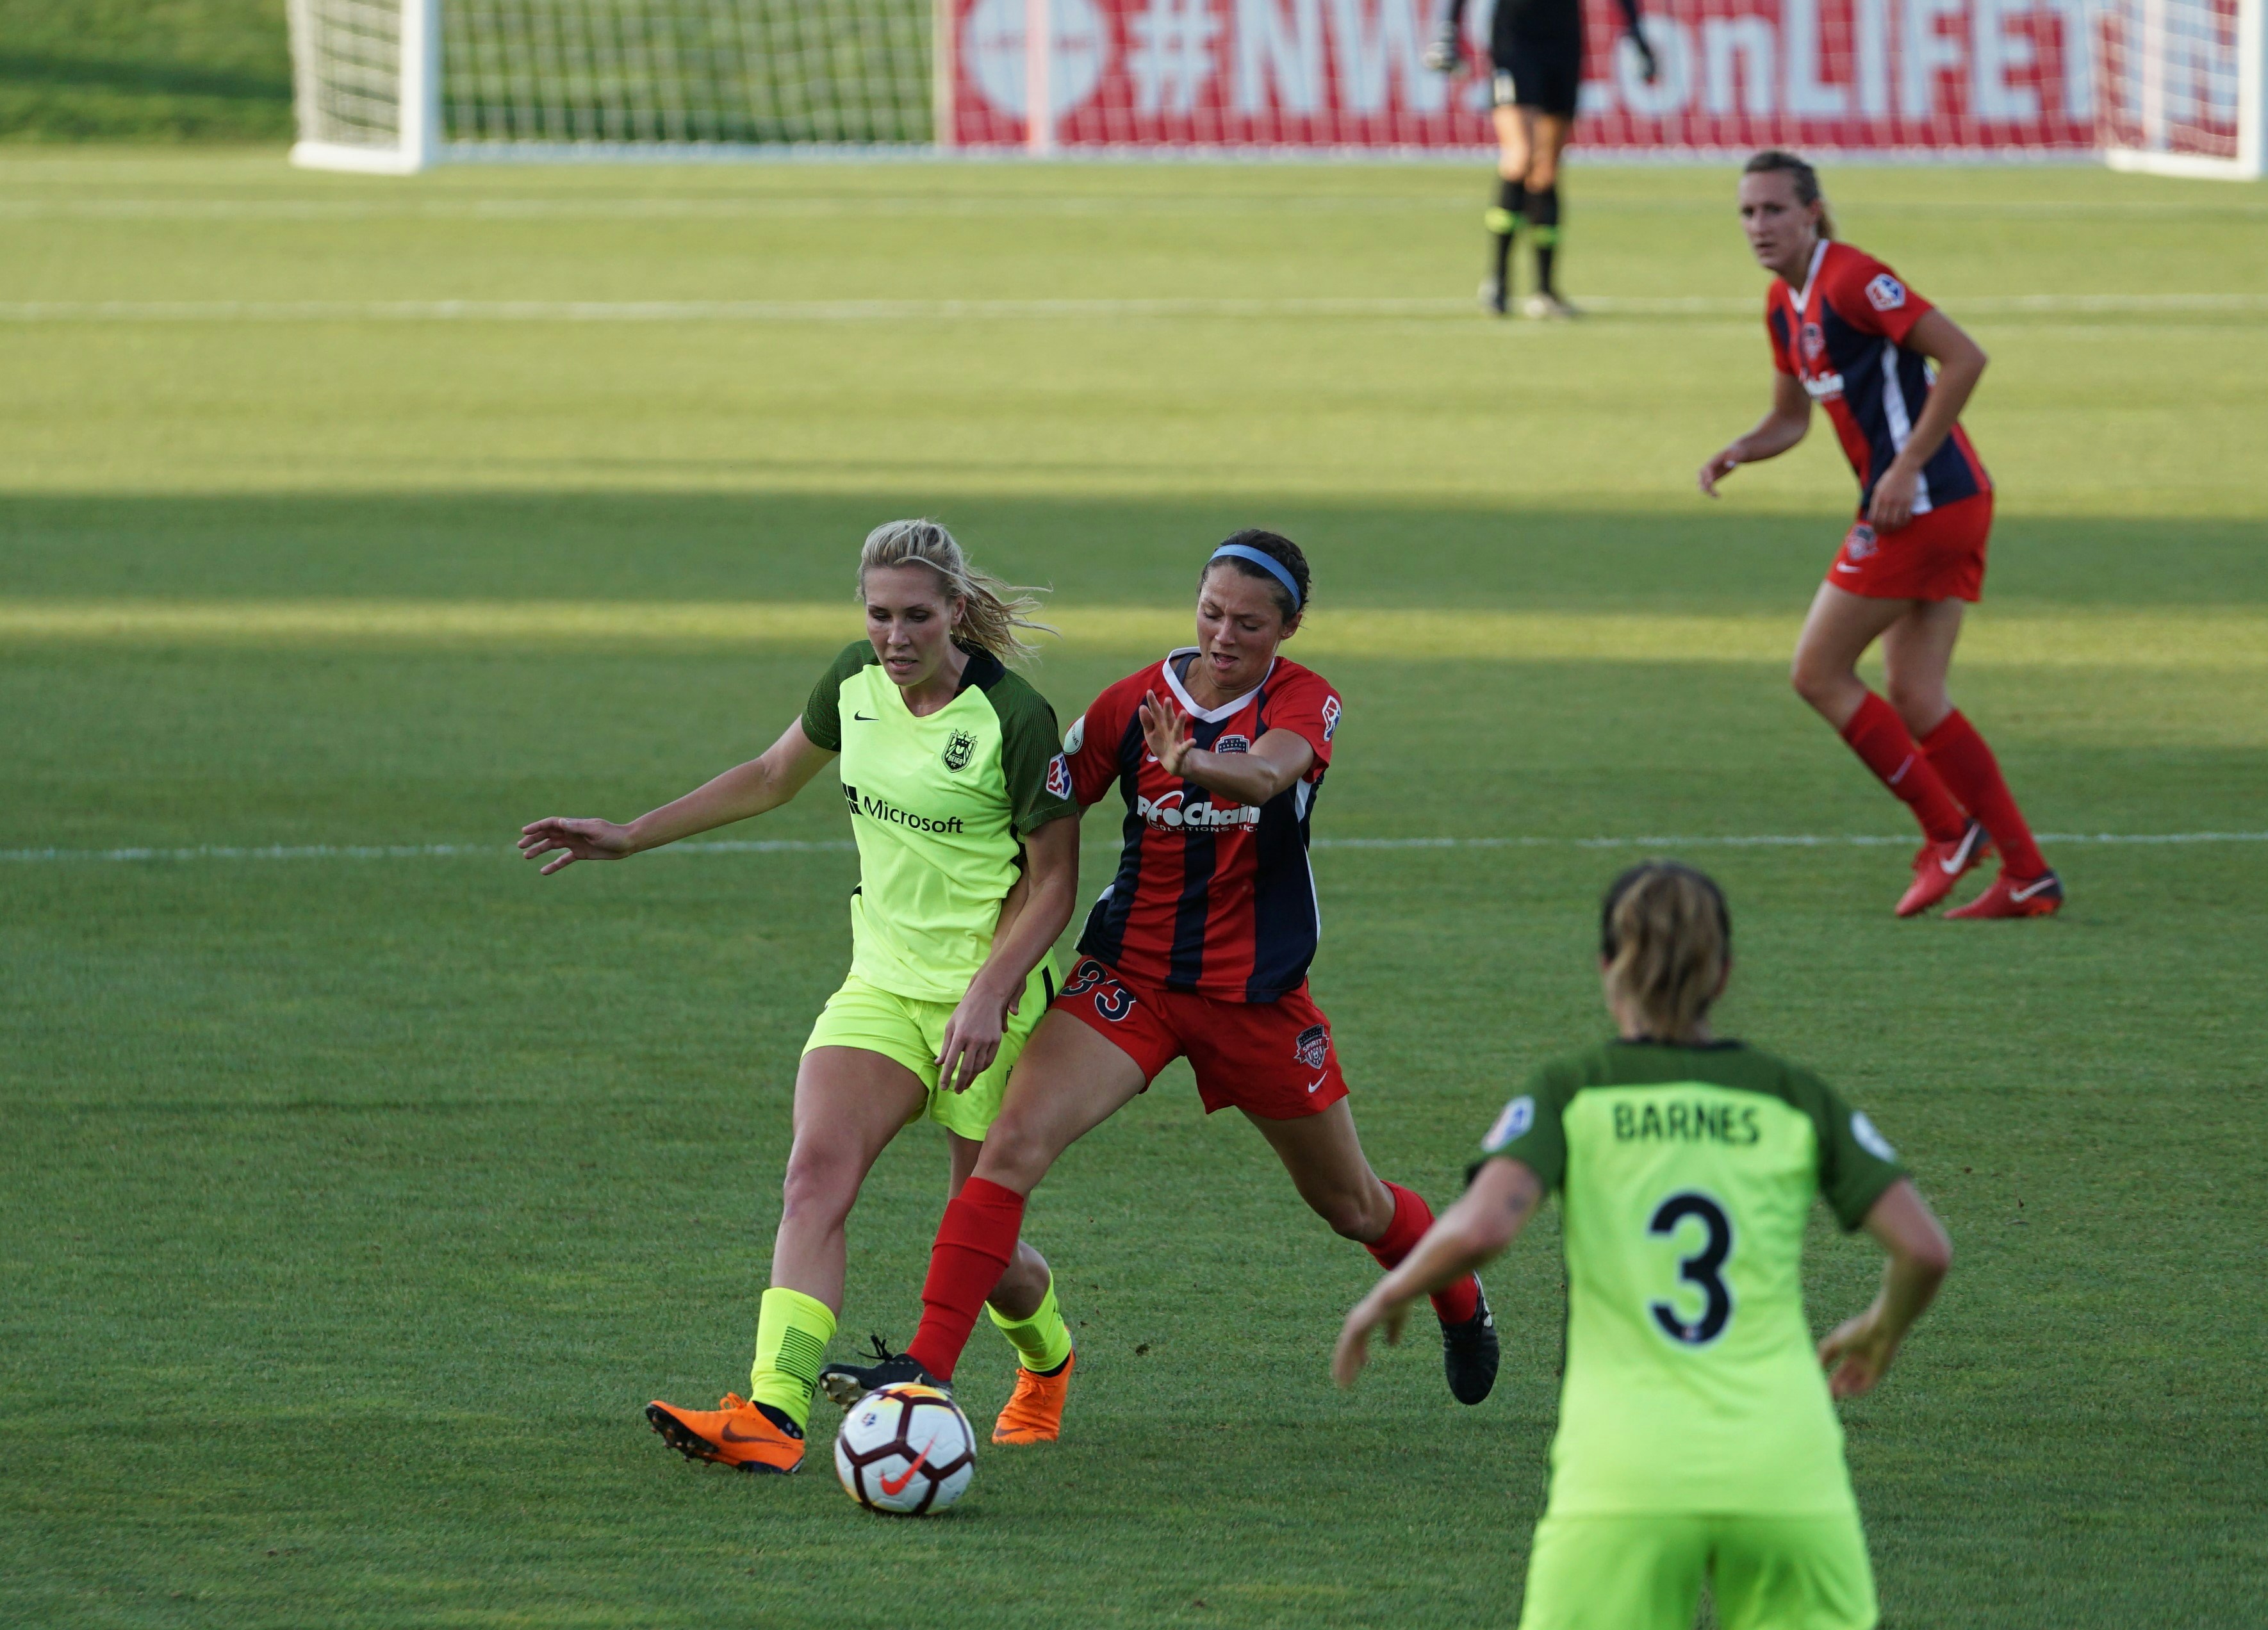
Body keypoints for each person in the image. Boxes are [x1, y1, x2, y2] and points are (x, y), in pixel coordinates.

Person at [821, 529, 1502, 1413]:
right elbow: (1042, 800)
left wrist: (1191, 763)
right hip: (1129, 981)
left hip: (1254, 1000)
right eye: (1211, 613)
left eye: (1248, 623)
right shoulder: (1132, 701)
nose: (1223, 635)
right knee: (1009, 1148)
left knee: (1352, 1205)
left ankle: (1457, 1293)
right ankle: (927, 1366)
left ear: (1287, 628)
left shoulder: (1303, 700)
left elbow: (1268, 776)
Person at [516, 520, 1085, 1469]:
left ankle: (1046, 1362)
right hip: (881, 985)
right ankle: (772, 1414)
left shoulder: (1012, 717)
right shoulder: (852, 684)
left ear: (955, 612)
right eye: (878, 615)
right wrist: (632, 834)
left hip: (988, 998)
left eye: (916, 616)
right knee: (814, 1177)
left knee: (978, 1240)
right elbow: (772, 775)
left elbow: (1055, 882)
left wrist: (992, 991)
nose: (894, 637)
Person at [1335, 860, 1953, 1630]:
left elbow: (1485, 1226)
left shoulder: (1574, 1088)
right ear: (1723, 974)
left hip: (1624, 1469)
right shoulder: (1790, 1094)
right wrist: (1880, 1329)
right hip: (1783, 1463)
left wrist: (1392, 1291)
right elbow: (1925, 1250)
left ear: (1607, 968)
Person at [1698, 149, 2064, 919]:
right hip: (1934, 502)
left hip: (1923, 502)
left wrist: (1905, 465)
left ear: (1812, 214)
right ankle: (2027, 876)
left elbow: (1963, 358)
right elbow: (1791, 419)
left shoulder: (1853, 279)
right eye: (1747, 212)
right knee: (1917, 696)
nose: (1758, 226)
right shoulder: (1783, 304)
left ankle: (1948, 833)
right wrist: (1740, 449)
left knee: (1817, 672)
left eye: (1774, 210)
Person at [1426, 0, 1646, 317]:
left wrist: (1637, 38)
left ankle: (1544, 291)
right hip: (1515, 40)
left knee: (1547, 169)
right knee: (1521, 156)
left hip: (1563, 40)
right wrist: (1449, 29)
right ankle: (1499, 280)